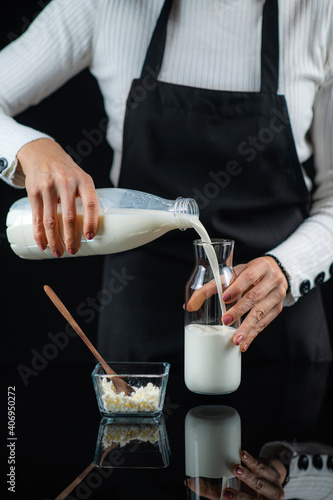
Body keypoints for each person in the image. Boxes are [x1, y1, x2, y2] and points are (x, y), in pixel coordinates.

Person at [0, 0, 332, 362]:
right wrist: (29, 148)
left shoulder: (320, 14)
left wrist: (287, 268)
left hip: (277, 329)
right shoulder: (103, 6)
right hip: (142, 324)